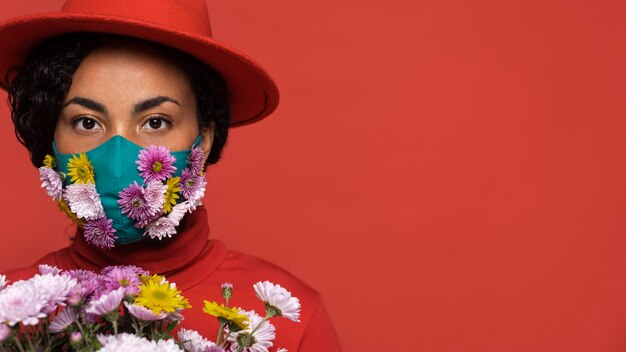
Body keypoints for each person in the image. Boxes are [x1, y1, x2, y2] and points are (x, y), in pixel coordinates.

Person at [0, 0, 341, 351]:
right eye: (87, 122)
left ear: (204, 138)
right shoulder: (8, 317)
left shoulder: (287, 323)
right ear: (51, 138)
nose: (119, 157)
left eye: (155, 122)